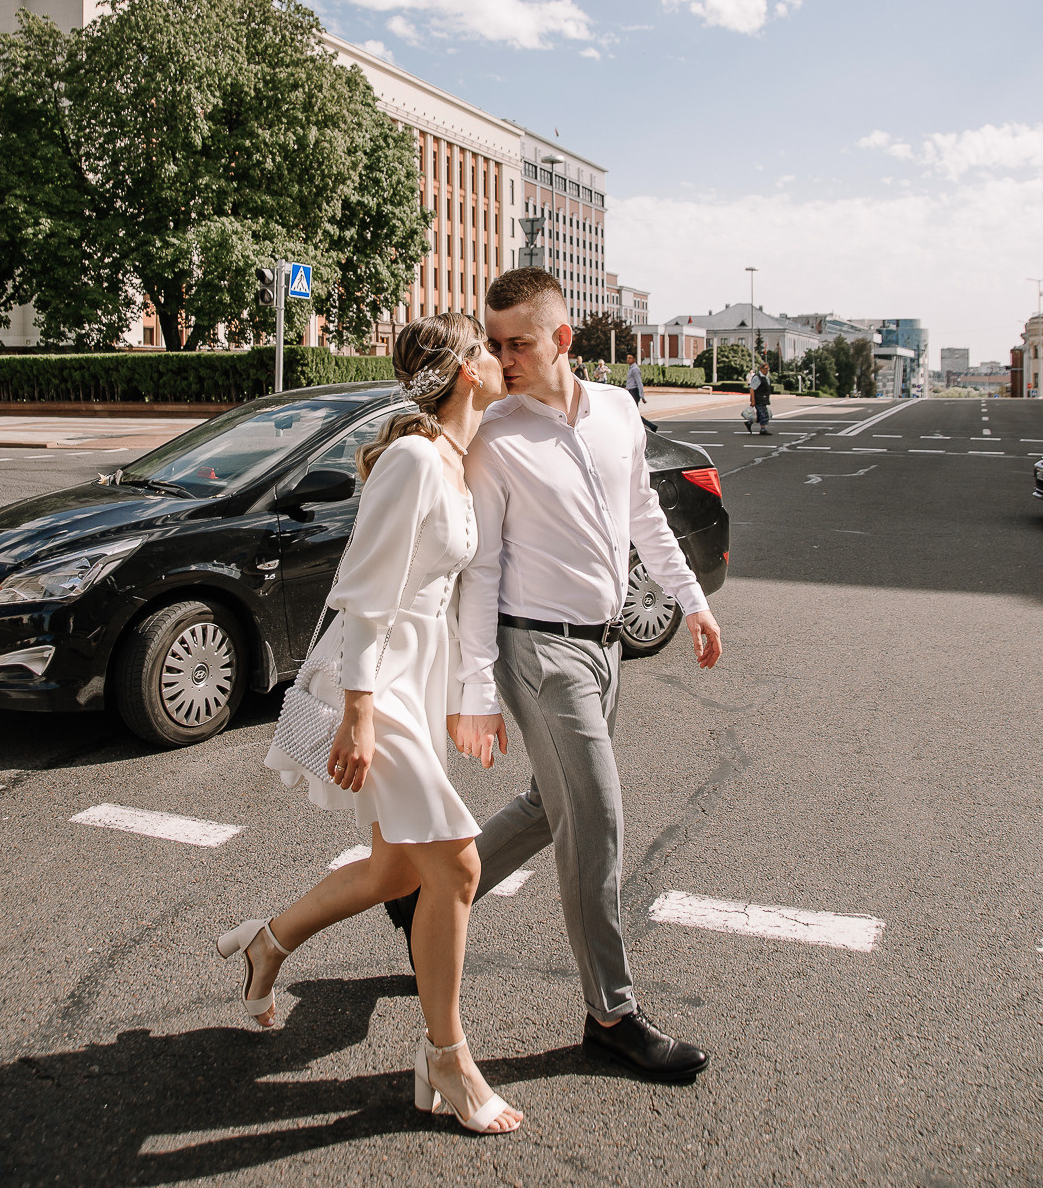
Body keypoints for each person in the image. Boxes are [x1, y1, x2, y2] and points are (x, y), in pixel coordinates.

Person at [388, 268, 723, 1083]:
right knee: (596, 817)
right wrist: (474, 693)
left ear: (563, 339)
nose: (503, 360)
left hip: (606, 647)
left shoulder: (615, 410)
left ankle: (423, 897)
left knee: (552, 802)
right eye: (493, 346)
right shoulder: (496, 436)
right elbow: (483, 572)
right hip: (538, 650)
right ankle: (611, 1014)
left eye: (519, 344)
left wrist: (691, 602)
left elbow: (643, 510)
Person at [219, 313, 523, 1136]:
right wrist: (356, 712)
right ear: (465, 372)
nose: (502, 361)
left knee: (399, 870)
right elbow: (363, 591)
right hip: (379, 683)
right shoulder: (417, 461)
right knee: (457, 864)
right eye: (488, 351)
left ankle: (269, 941)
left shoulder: (458, 461)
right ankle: (447, 1056)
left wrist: (468, 695)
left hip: (415, 684)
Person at [748, 359, 773, 435]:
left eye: (768, 368)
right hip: (759, 399)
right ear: (761, 369)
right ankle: (763, 429)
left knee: (760, 414)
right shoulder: (757, 377)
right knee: (764, 414)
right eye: (765, 368)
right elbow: (752, 389)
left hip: (763, 399)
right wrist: (753, 401)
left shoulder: (765, 377)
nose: (767, 370)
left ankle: (749, 423)